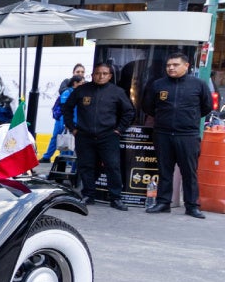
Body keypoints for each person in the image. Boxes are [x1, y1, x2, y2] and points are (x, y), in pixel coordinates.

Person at [141, 52, 214, 218]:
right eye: (168, 65)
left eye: (175, 65)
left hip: (187, 135)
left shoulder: (198, 85)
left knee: (189, 172)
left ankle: (192, 206)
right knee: (164, 170)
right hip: (163, 133)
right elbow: (148, 106)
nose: (171, 68)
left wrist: (189, 118)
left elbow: (206, 107)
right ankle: (163, 203)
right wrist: (163, 118)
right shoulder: (158, 84)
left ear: (186, 66)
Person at [62, 64, 134, 210]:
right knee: (86, 166)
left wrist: (119, 130)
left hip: (108, 136)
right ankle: (88, 195)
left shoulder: (117, 92)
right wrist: (72, 128)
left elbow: (129, 112)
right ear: (92, 75)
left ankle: (116, 198)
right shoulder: (82, 90)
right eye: (97, 73)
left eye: (104, 73)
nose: (101, 76)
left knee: (112, 167)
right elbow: (67, 108)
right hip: (84, 136)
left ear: (110, 76)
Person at [41, 74, 83, 163]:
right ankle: (48, 157)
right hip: (64, 120)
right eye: (81, 83)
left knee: (69, 139)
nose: (83, 85)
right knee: (59, 137)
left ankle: (68, 161)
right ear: (75, 83)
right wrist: (66, 122)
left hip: (74, 120)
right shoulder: (67, 93)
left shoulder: (79, 93)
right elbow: (64, 108)